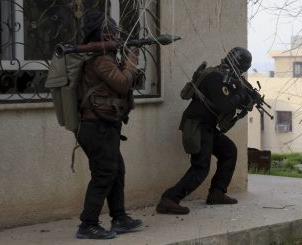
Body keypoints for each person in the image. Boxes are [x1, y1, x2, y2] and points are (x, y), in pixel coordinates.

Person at [156, 47, 253, 214]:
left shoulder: (227, 80)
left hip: (207, 126)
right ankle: (169, 199)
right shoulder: (215, 77)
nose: (242, 73)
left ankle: (217, 193)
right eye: (243, 68)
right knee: (201, 167)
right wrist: (241, 95)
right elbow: (224, 105)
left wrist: (246, 101)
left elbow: (229, 104)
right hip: (197, 125)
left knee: (229, 151)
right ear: (238, 64)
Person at [75, 12, 142, 239]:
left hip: (104, 126)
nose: (116, 35)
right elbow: (122, 84)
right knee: (105, 173)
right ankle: (88, 224)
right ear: (103, 35)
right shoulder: (101, 59)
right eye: (112, 32)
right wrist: (131, 61)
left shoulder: (105, 56)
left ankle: (120, 217)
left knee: (116, 170)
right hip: (97, 128)